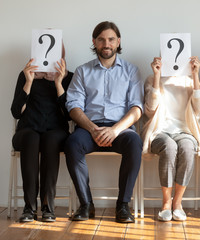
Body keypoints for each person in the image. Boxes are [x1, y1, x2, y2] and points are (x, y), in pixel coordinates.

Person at [64, 21, 143, 223]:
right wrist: (92, 129)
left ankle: (123, 206)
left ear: (118, 42)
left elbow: (136, 109)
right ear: (94, 42)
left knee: (135, 142)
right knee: (72, 143)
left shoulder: (131, 71)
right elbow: (73, 106)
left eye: (110, 39)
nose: (106, 44)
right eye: (101, 39)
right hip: (90, 127)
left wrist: (114, 130)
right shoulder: (82, 71)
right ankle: (86, 204)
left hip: (120, 128)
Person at [141, 56, 200, 221]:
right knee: (169, 147)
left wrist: (195, 75)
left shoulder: (189, 80)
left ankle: (177, 202)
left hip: (185, 131)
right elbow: (149, 110)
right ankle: (166, 202)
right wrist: (157, 76)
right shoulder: (151, 79)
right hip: (159, 132)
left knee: (187, 147)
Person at [11, 48, 73, 222]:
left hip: (56, 132)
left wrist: (59, 83)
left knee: (50, 139)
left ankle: (48, 206)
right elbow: (16, 112)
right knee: (32, 138)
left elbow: (70, 115)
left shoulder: (69, 77)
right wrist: (29, 81)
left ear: (62, 55)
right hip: (27, 132)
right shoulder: (25, 75)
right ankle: (29, 207)